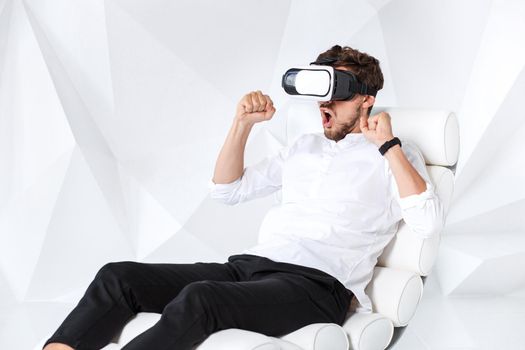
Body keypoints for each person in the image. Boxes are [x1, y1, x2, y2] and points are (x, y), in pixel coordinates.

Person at [43, 45, 444, 350]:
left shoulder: (395, 153)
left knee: (201, 299)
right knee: (120, 277)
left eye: (337, 94)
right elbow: (226, 190)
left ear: (366, 99)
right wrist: (242, 125)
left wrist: (387, 144)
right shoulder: (304, 147)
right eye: (322, 92)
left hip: (318, 287)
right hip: (249, 268)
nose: (325, 104)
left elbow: (427, 222)